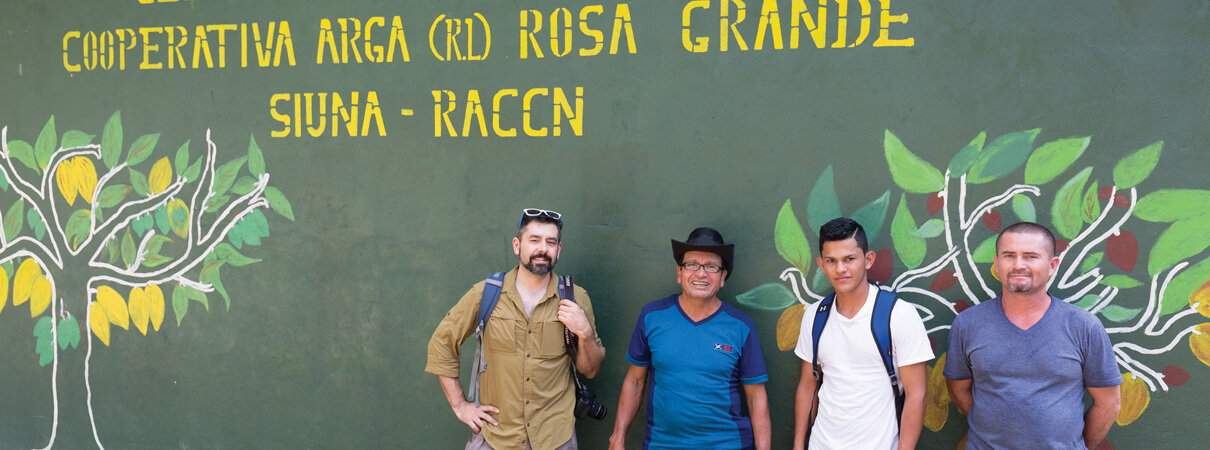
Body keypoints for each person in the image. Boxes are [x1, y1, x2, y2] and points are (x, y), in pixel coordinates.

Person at [426, 208, 606, 450]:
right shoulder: (486, 293)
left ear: (558, 250)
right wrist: (460, 404)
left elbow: (590, 370)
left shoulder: (576, 297)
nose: (543, 249)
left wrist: (584, 333)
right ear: (516, 245)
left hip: (555, 438)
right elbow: (441, 344)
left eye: (551, 242)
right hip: (496, 437)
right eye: (534, 240)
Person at [944, 222, 1122, 449]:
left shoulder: (1084, 326)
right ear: (997, 264)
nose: (1019, 265)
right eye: (1009, 256)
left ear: (1052, 265)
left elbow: (1108, 403)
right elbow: (958, 390)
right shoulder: (967, 324)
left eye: (1030, 256)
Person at [608, 227, 771, 450]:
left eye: (711, 267)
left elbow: (756, 398)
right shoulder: (652, 317)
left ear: (723, 277)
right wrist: (617, 437)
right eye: (692, 265)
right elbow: (635, 382)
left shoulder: (741, 326)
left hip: (726, 444)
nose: (701, 273)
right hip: (662, 444)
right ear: (679, 273)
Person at [792, 217, 934, 449]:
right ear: (821, 264)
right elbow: (808, 386)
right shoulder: (815, 315)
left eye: (849, 259)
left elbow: (917, 395)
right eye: (831, 261)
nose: (840, 269)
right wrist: (799, 445)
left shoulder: (899, 315)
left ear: (868, 260)